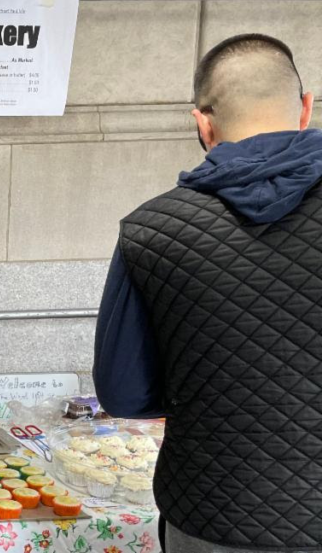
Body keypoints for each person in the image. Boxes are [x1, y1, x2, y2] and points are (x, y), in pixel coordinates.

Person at [93, 34, 322, 552]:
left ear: (202, 123)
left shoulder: (150, 231)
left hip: (212, 516)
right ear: (305, 108)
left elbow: (124, 394)